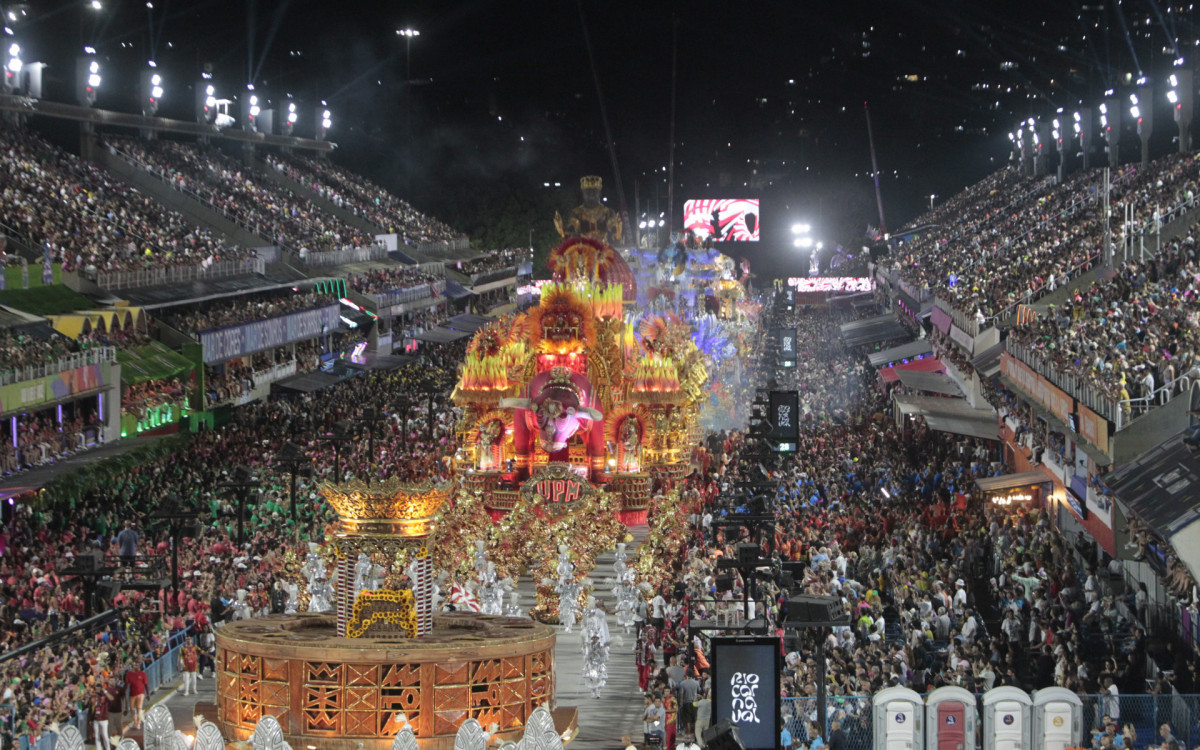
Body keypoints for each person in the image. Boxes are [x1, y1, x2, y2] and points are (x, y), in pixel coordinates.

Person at [125, 659, 149, 730]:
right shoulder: (129, 674)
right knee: (132, 709)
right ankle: (135, 721)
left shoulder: (143, 674)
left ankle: (138, 723)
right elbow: (126, 684)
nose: (136, 666)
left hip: (140, 693)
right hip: (132, 694)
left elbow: (146, 684)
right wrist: (123, 691)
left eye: (137, 665)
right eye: (135, 665)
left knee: (139, 708)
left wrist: (148, 694)